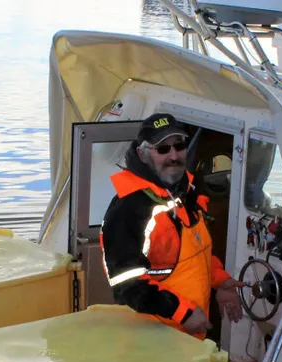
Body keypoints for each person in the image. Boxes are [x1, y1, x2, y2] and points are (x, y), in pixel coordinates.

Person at [100, 113, 243, 340]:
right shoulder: (129, 208)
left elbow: (196, 254)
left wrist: (220, 281)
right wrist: (183, 313)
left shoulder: (185, 191)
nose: (173, 155)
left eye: (179, 145)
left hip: (188, 334)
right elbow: (126, 285)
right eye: (162, 149)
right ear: (142, 153)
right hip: (151, 338)